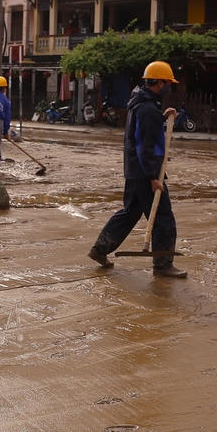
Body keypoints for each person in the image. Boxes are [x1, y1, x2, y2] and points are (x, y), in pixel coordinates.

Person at [87, 61, 187, 279]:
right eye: (168, 83)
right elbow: (145, 146)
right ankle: (163, 265)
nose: (169, 87)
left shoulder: (139, 103)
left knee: (130, 212)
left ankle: (100, 249)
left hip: (134, 170)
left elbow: (143, 133)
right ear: (159, 83)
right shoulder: (148, 109)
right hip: (145, 172)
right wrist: (153, 177)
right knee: (163, 218)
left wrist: (162, 117)